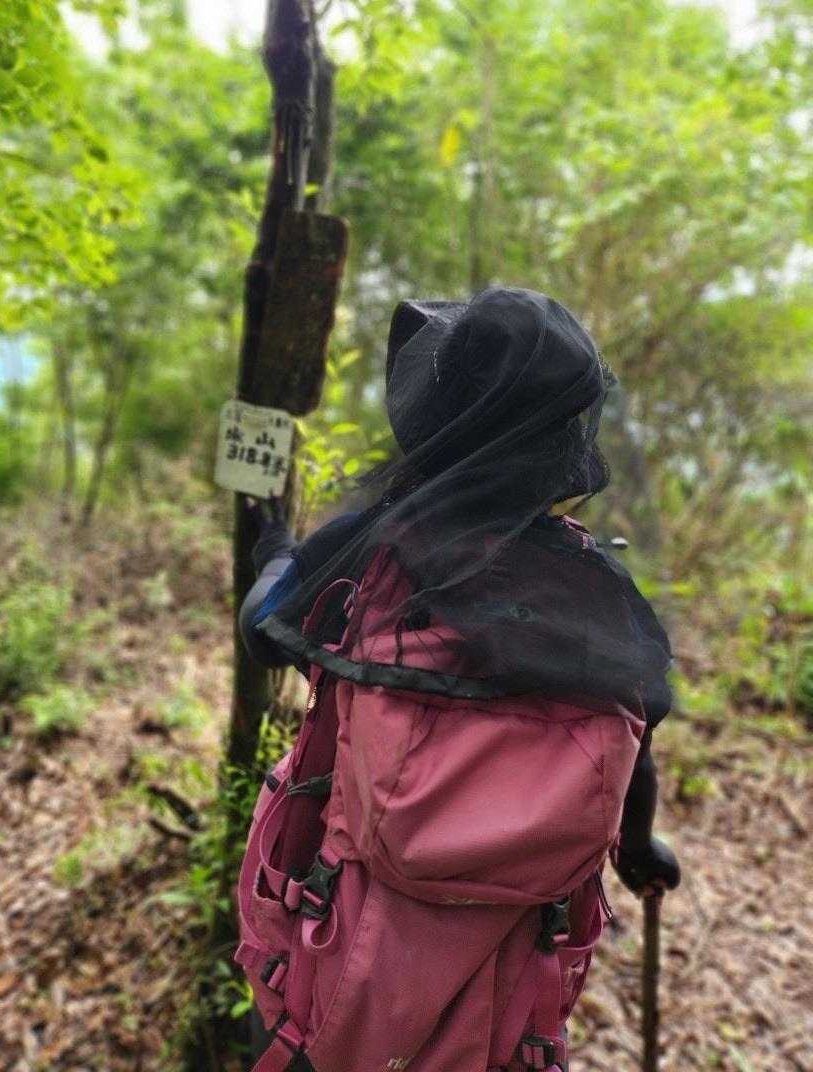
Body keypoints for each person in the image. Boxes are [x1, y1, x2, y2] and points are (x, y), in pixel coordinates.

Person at [239, 286, 680, 1070]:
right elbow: (636, 742)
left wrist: (275, 548)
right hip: (507, 993)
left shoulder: (370, 550)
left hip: (340, 965)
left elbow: (262, 625)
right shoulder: (602, 594)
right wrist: (639, 850)